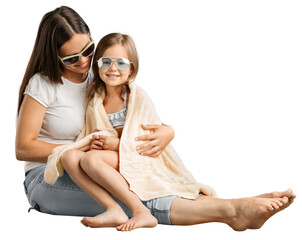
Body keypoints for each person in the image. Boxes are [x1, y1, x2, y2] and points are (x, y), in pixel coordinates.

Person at [16, 6, 295, 232]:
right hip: (47, 178)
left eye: (88, 51)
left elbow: (135, 113)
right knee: (128, 194)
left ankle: (237, 204)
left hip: (97, 163)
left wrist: (167, 131)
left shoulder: (101, 73)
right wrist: (83, 147)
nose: (83, 63)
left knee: (141, 180)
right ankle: (231, 212)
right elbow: (23, 149)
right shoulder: (44, 84)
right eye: (71, 59)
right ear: (53, 56)